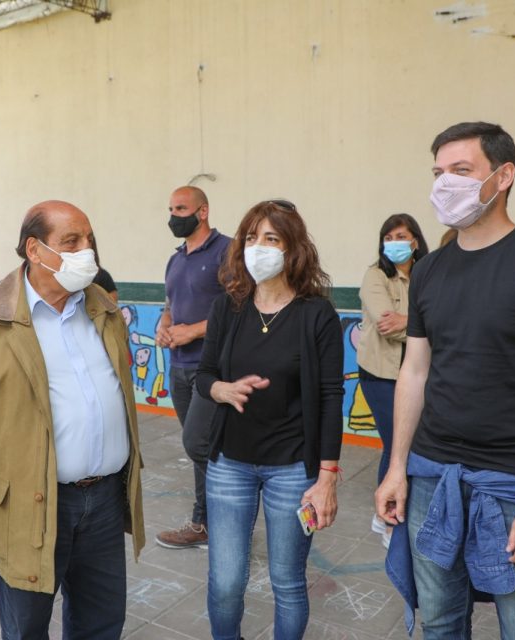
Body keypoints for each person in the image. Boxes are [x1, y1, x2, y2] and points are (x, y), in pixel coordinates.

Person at [0, 200, 144, 639]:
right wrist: (3, 469)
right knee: (27, 626)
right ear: (34, 249)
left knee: (102, 623)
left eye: (89, 240)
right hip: (31, 503)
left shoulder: (103, 310)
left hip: (105, 500)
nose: (87, 252)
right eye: (71, 242)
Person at [375, 122, 515, 639]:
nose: (444, 184)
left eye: (461, 170)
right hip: (433, 476)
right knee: (441, 622)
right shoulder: (429, 271)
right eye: (438, 172)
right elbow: (415, 371)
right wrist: (397, 468)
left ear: (504, 175)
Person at [197, 199, 343, 639]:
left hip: (293, 469)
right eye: (250, 237)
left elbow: (330, 397)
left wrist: (327, 477)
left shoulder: (317, 314)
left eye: (271, 238)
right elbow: (205, 375)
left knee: (288, 582)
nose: (257, 247)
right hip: (230, 464)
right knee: (226, 583)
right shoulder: (228, 308)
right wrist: (222, 390)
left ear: (292, 248)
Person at [155, 185, 231, 550]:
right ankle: (205, 524)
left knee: (199, 443)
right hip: (179, 366)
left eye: (181, 209)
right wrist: (165, 325)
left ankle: (229, 514)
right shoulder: (175, 259)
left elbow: (240, 308)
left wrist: (195, 331)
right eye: (171, 209)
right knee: (201, 447)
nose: (174, 216)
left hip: (211, 367)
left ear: (203, 211)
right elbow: (170, 303)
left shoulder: (227, 251)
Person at [357, 213, 428, 549]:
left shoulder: (429, 273)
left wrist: (408, 321)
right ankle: (387, 519)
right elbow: (387, 325)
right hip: (381, 375)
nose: (395, 243)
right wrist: (424, 324)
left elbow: (443, 318)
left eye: (401, 236)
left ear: (415, 241)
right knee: (397, 442)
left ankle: (392, 511)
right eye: (389, 237)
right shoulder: (375, 275)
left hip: (419, 373)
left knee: (411, 443)